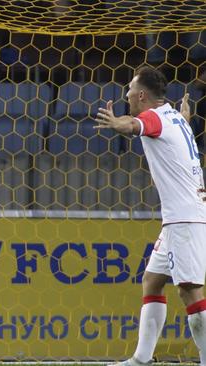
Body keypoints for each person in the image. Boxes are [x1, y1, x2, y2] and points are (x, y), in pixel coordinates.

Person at [95, 66, 205, 366]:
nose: (127, 94)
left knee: (190, 290)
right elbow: (168, 130)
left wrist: (119, 123)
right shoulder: (174, 117)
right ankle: (142, 359)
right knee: (153, 281)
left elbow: (135, 126)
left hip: (185, 218)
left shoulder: (153, 118)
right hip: (179, 217)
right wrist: (185, 118)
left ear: (142, 95)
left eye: (130, 89)